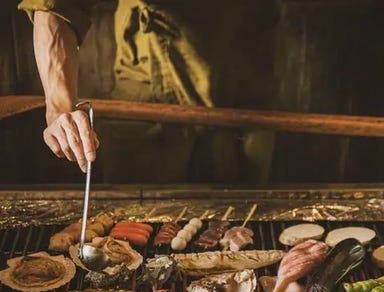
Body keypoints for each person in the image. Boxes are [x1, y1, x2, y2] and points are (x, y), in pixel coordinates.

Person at [18, 0, 278, 184]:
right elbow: (53, 6)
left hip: (245, 86)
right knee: (135, 218)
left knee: (243, 216)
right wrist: (60, 106)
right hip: (151, 83)